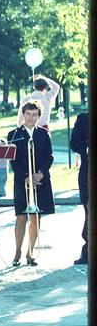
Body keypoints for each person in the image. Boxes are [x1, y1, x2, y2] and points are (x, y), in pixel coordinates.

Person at [7, 100, 55, 267]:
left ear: (38, 116)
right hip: (22, 181)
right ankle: (17, 251)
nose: (31, 117)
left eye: (35, 115)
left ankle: (30, 252)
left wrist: (40, 174)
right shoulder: (14, 134)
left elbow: (50, 157)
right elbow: (12, 160)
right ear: (23, 114)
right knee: (21, 217)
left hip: (40, 180)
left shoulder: (43, 133)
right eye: (28, 114)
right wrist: (26, 177)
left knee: (36, 217)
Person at [70, 111, 89, 265]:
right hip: (88, 173)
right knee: (89, 211)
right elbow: (74, 142)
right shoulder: (83, 118)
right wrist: (87, 147)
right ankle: (88, 250)